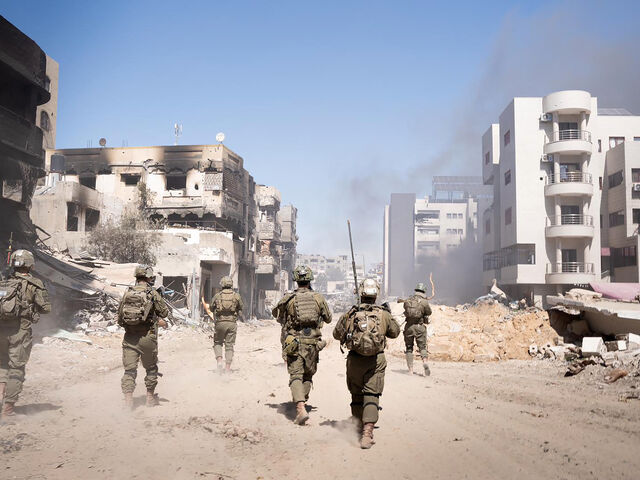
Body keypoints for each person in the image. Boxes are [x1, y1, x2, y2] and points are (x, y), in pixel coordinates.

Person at [333, 278, 400, 449]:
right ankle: (367, 434)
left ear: (360, 293)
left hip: (355, 360)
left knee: (356, 394)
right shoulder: (383, 314)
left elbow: (336, 334)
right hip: (376, 361)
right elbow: (395, 333)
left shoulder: (351, 314)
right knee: (372, 394)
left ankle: (357, 427)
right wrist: (388, 315)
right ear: (376, 294)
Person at [272, 265, 331, 425]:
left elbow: (277, 315)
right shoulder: (318, 298)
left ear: (296, 280)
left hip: (294, 342)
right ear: (310, 279)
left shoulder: (289, 299)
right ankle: (302, 402)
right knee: (308, 375)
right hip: (312, 343)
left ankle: (300, 407)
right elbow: (328, 318)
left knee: (296, 375)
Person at [0, 250, 51, 420]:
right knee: (16, 368)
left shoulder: (4, 281)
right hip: (20, 332)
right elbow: (46, 308)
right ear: (30, 265)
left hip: (1, 331)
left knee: (2, 365)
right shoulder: (34, 284)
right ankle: (8, 410)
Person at [117, 265, 169, 409]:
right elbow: (164, 313)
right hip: (147, 337)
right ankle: (150, 398)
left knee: (129, 371)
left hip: (129, 338)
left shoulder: (128, 292)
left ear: (136, 276)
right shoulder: (152, 293)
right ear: (149, 277)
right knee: (151, 368)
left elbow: (120, 319)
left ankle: (128, 401)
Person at [202, 276, 243, 373]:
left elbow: (211, 308)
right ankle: (227, 368)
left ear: (222, 284)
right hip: (232, 323)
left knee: (218, 342)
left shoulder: (217, 296)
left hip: (220, 323)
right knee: (229, 345)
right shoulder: (236, 296)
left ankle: (219, 361)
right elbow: (241, 308)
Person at [402, 283, 433, 376]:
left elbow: (405, 308)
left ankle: (410, 370)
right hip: (419, 327)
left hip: (409, 327)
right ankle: (425, 362)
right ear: (423, 291)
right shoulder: (424, 302)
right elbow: (429, 312)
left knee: (409, 348)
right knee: (422, 347)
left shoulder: (408, 300)